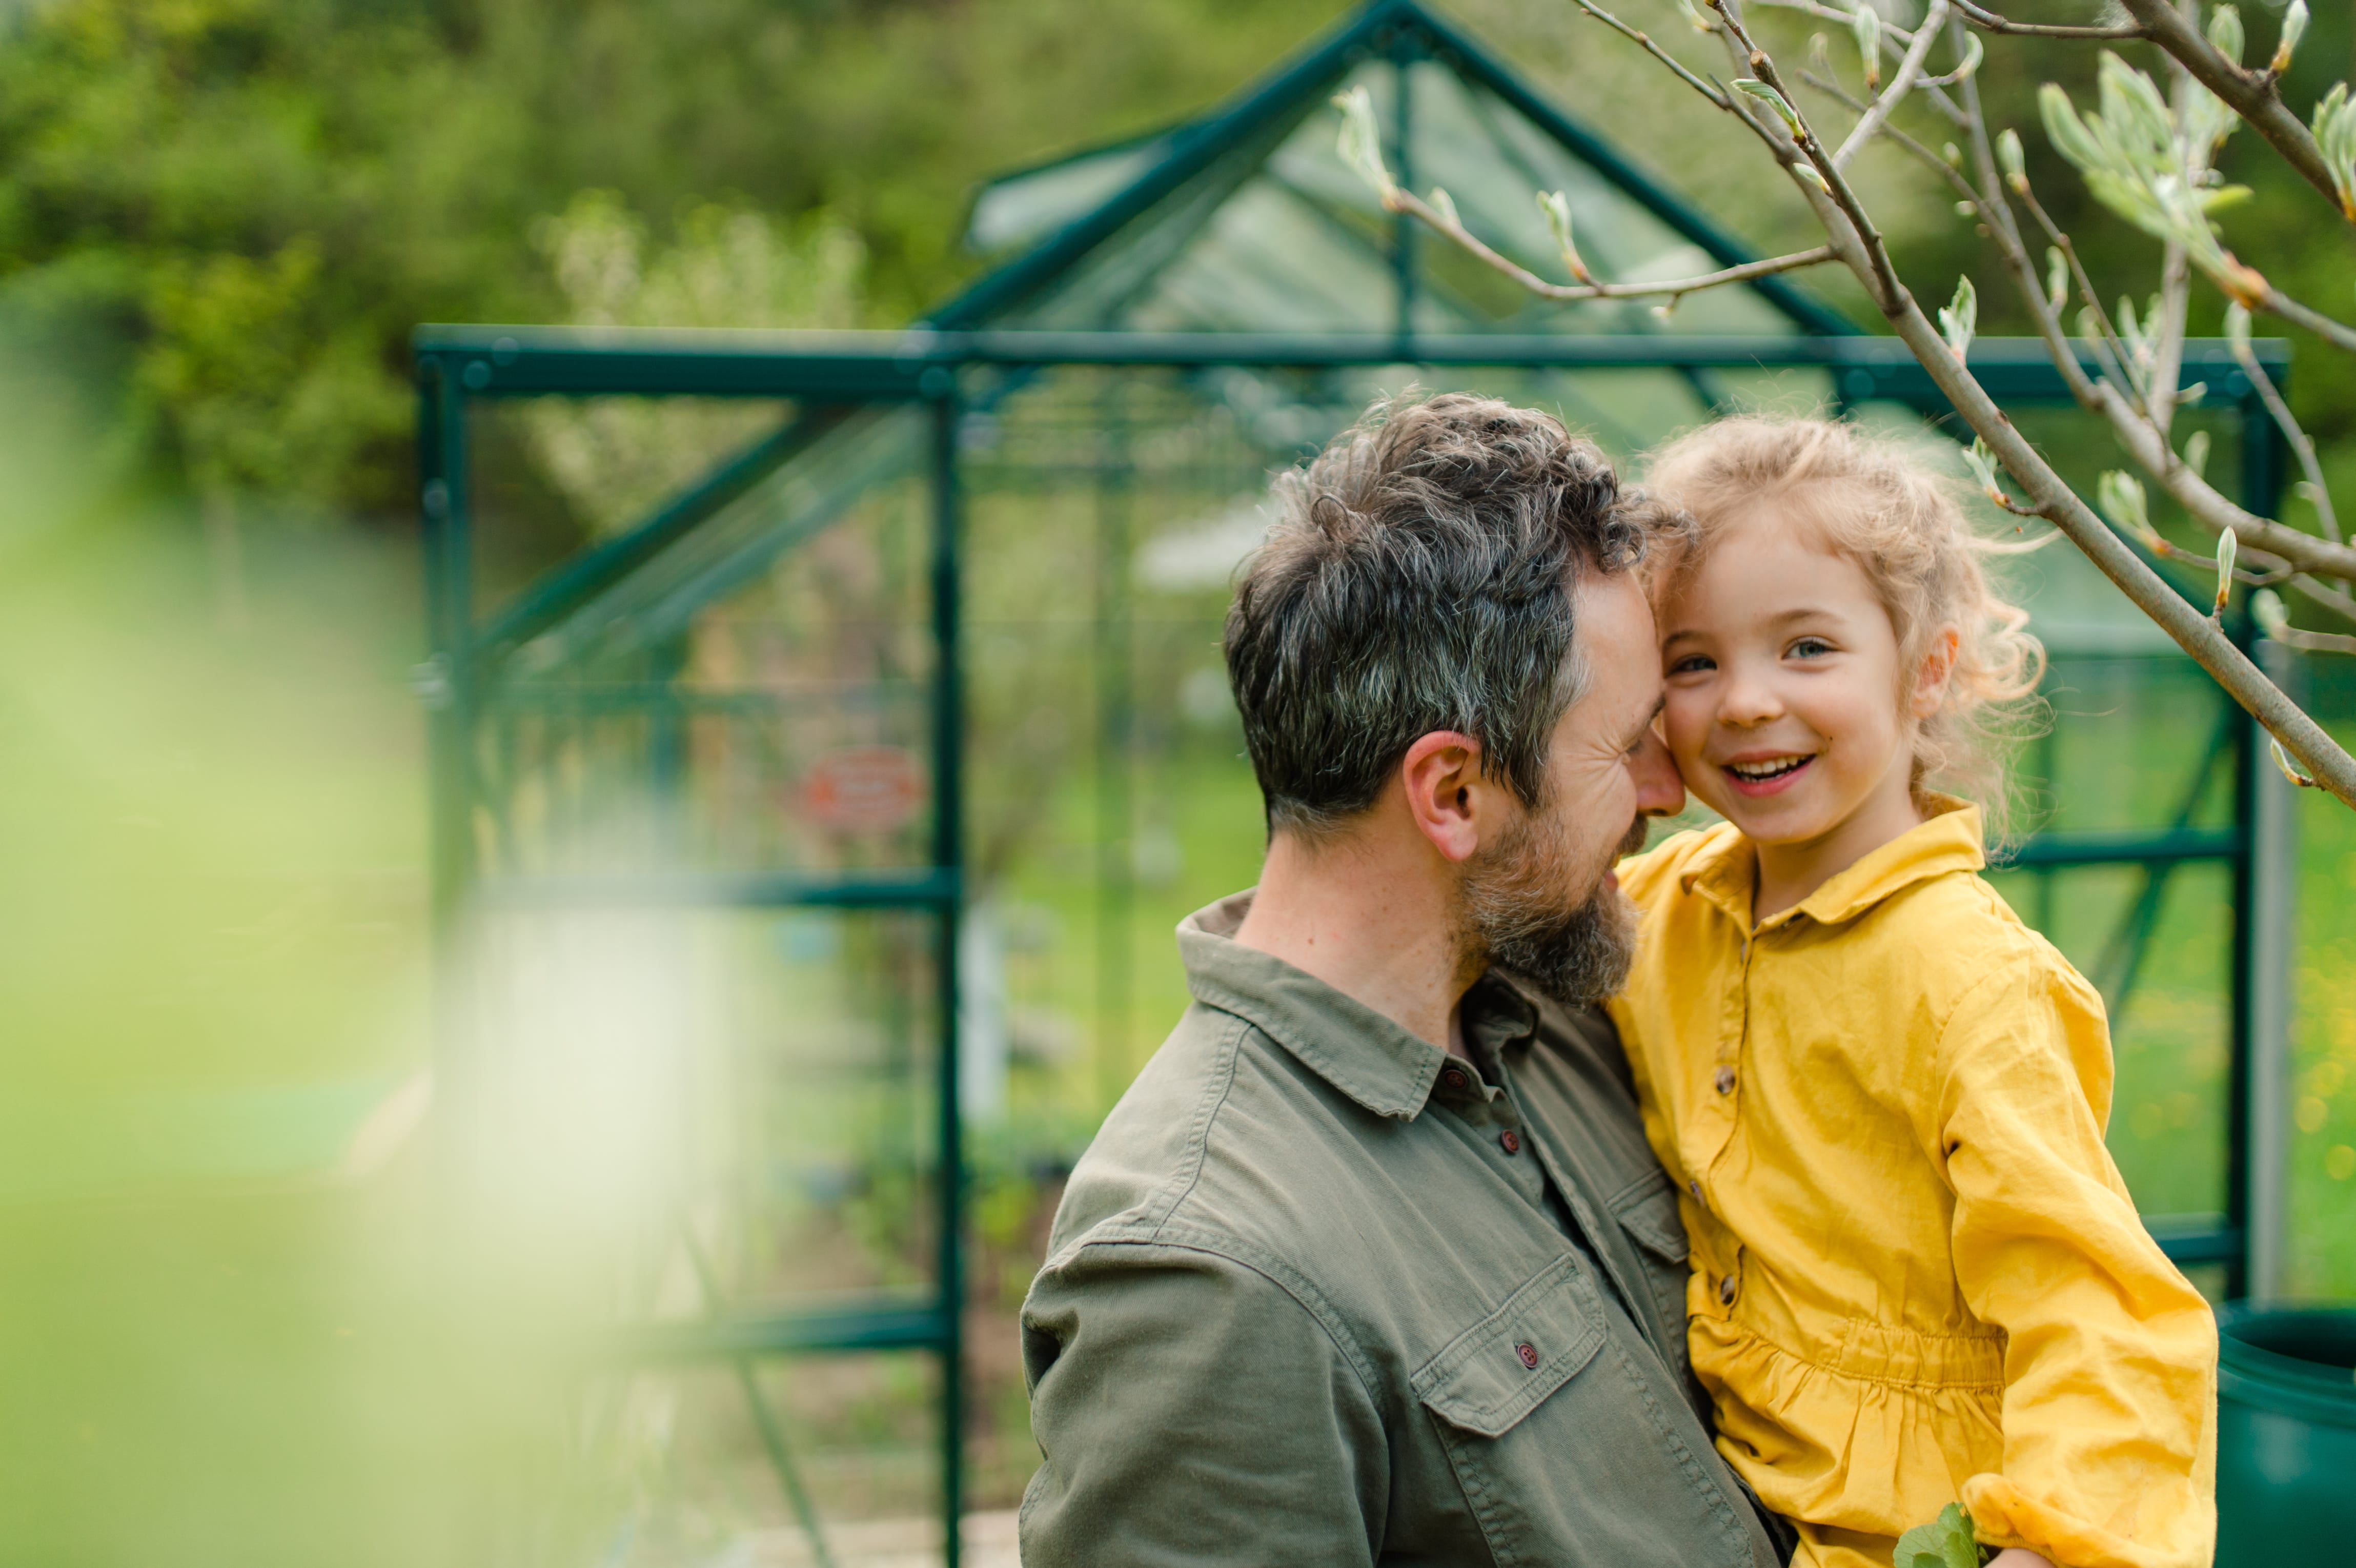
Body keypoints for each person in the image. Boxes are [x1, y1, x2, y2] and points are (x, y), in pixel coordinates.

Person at [1016, 392, 1792, 1566]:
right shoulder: (1208, 1272)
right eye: (1625, 744)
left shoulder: (1579, 1016)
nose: (1666, 792)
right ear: (1454, 794)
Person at [1610, 417, 2218, 1568]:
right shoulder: (1665, 909)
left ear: (1928, 667)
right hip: (1732, 1500)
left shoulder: (1970, 983)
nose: (1744, 702)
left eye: (1807, 649)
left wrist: (2054, 1545)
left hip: (1918, 1533)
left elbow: (2098, 1312)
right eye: (1694, 661)